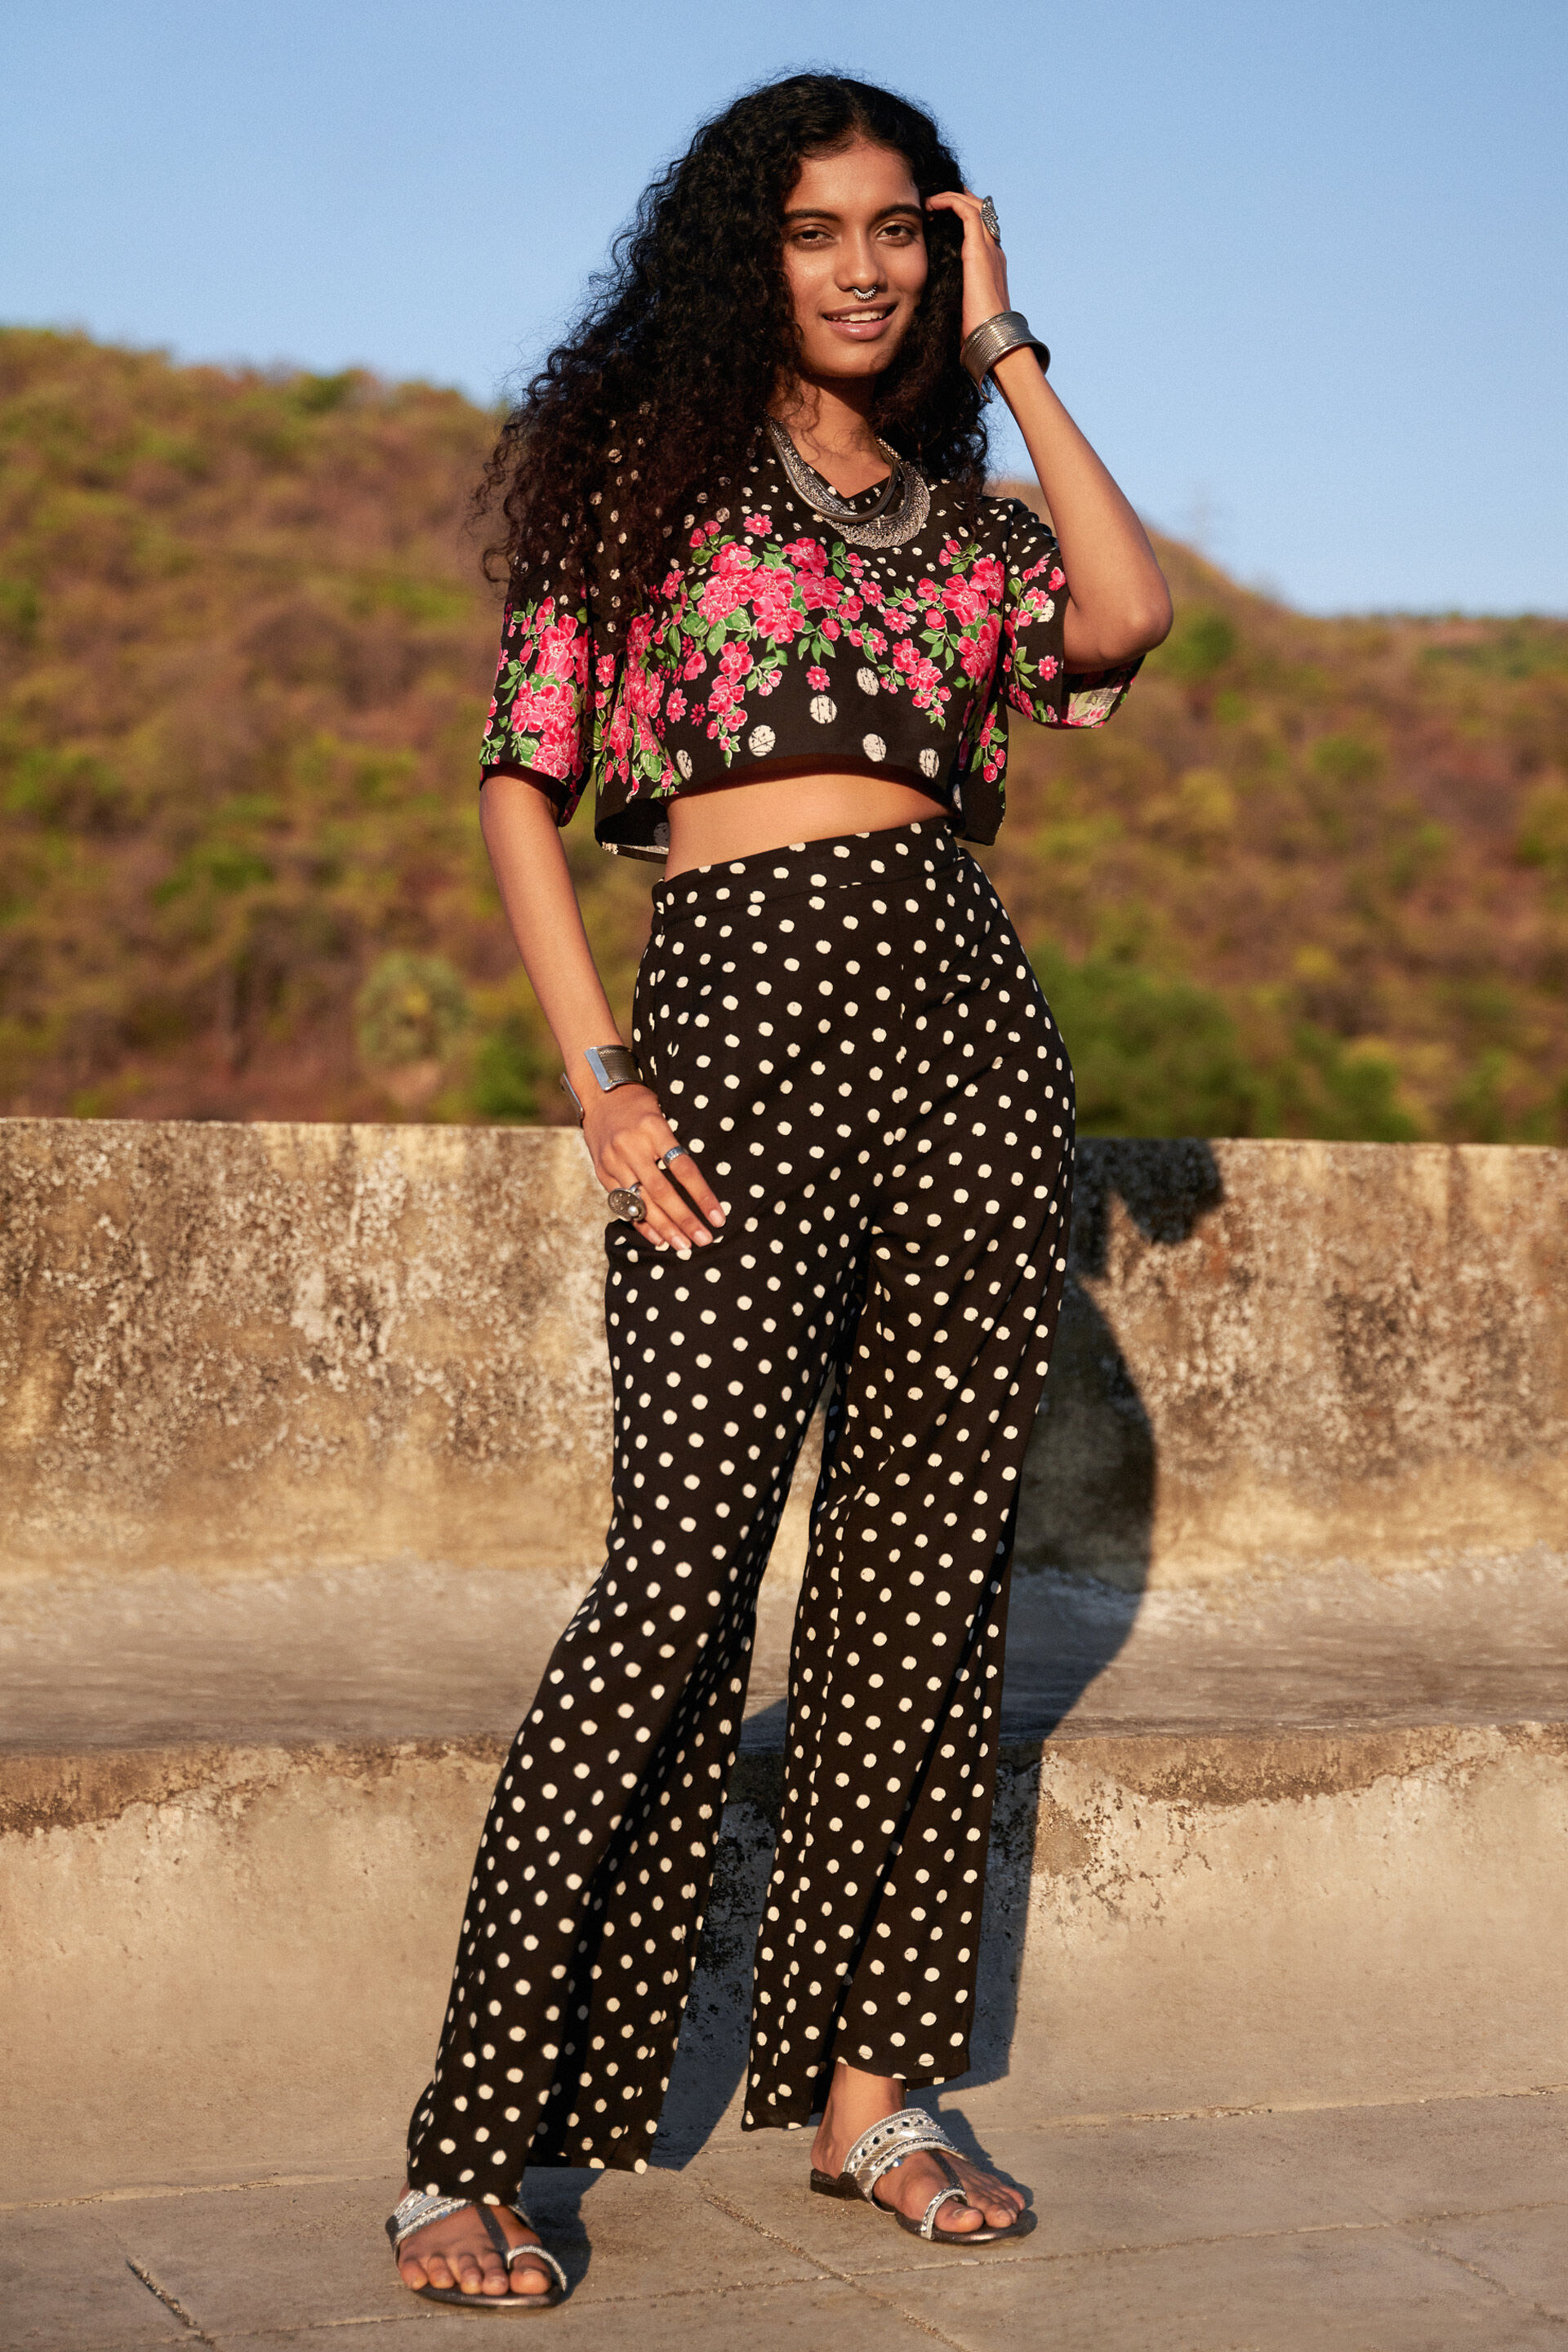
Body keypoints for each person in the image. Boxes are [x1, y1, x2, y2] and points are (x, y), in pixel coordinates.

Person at [386, 72, 1169, 2309]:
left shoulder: (970, 528)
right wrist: (603, 1081)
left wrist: (1013, 347)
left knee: (923, 1593)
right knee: (673, 1588)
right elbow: (522, 787)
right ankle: (466, 2147)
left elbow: (1128, 617)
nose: (862, 267)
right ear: (752, 253)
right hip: (729, 1019)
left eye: (900, 229)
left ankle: (873, 2100)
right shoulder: (642, 493)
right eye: (818, 229)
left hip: (964, 1036)